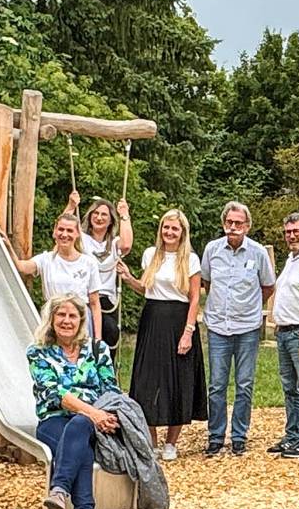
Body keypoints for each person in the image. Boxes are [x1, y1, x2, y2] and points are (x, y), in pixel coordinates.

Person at [27, 295, 118, 509]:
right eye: (61, 315)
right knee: (81, 444)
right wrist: (93, 413)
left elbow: (110, 389)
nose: (66, 320)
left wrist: (100, 415)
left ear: (81, 320)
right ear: (51, 319)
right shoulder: (38, 352)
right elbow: (56, 394)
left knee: (80, 424)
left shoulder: (98, 350)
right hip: (53, 419)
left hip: (91, 420)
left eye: (72, 315)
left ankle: (60, 489)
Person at [120, 208, 204, 461]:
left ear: (182, 232)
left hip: (178, 321)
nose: (169, 232)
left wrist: (188, 332)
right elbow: (146, 289)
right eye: (166, 227)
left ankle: (172, 442)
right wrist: (128, 278)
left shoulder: (190, 259)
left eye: (174, 228)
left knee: (177, 379)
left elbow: (194, 298)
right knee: (148, 380)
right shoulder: (150, 255)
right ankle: (152, 440)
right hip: (153, 319)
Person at [198, 202, 277, 457]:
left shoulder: (257, 253)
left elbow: (267, 286)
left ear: (247, 226)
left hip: (247, 327)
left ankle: (240, 436)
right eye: (229, 222)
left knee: (244, 383)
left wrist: (250, 307)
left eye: (238, 223)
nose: (233, 227)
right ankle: (216, 436)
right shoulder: (212, 250)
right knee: (217, 384)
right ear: (224, 224)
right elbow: (207, 283)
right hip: (219, 326)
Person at [269, 211, 299, 459]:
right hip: (284, 330)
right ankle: (292, 435)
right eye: (288, 232)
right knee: (289, 387)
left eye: (297, 231)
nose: (292, 236)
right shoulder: (291, 259)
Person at [17, 213, 103, 339]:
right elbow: (22, 267)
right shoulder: (46, 259)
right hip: (54, 317)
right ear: (54, 232)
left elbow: (95, 303)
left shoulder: (89, 263)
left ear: (77, 234)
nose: (64, 234)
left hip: (79, 319)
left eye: (69, 230)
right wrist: (6, 244)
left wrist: (98, 339)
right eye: (61, 229)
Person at [78, 197, 133, 352]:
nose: (99, 217)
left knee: (110, 330)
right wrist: (71, 206)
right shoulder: (82, 240)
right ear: (90, 216)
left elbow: (127, 244)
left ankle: (107, 370)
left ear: (110, 221)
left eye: (104, 215)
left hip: (105, 299)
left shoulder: (114, 243)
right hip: (84, 298)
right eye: (95, 213)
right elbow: (64, 229)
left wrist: (124, 214)